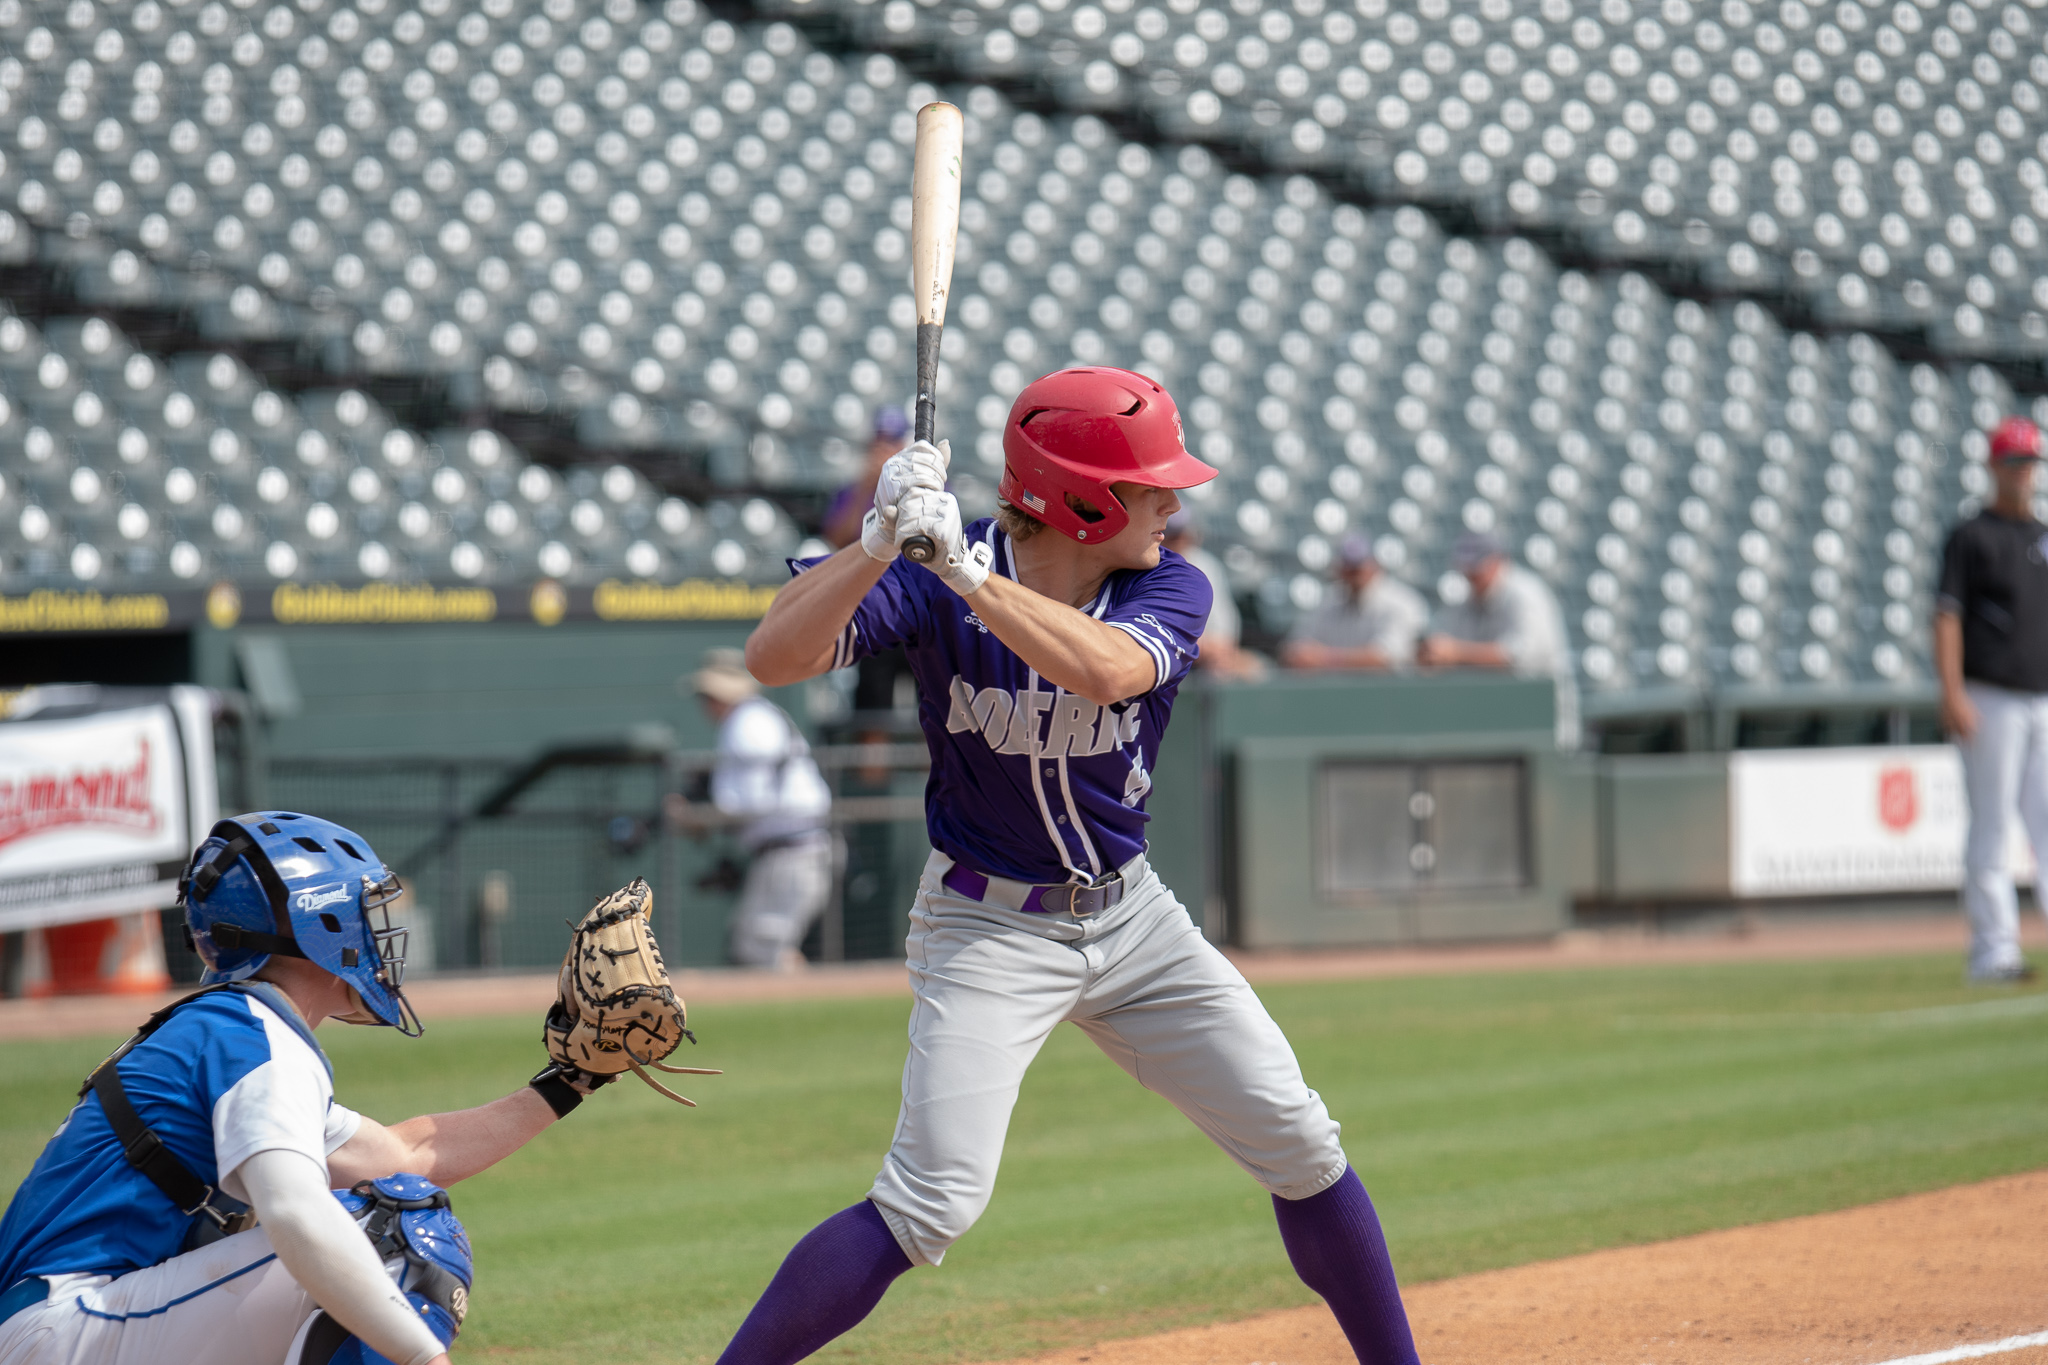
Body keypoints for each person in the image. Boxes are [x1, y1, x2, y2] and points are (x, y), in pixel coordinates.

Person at [722, 366, 1420, 1365]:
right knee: (928, 1205)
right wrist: (873, 544)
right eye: (1151, 487)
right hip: (987, 928)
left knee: (1302, 1145)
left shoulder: (1168, 583)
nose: (1173, 505)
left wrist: (964, 576)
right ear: (1083, 499)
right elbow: (772, 659)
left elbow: (1106, 669)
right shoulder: (929, 566)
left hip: (1135, 921)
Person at [0, 813, 610, 1365]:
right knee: (396, 1233)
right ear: (319, 922)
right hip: (64, 1328)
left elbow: (407, 1155)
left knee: (379, 1214)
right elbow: (297, 1213)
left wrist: (575, 1080)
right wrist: (422, 1357)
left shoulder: (228, 1029)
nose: (375, 932)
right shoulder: (253, 1039)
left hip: (66, 1325)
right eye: (363, 911)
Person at [1937, 415, 2048, 984]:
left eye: (2029, 462)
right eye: (2014, 462)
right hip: (1991, 696)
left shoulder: (2041, 538)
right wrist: (1953, 691)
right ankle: (1993, 951)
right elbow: (1946, 615)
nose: (2022, 472)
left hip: (2041, 696)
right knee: (1993, 825)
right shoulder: (1971, 536)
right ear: (1993, 466)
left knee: (2046, 821)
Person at [691, 648, 835, 971]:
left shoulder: (748, 721)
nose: (705, 703)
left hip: (792, 852)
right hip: (792, 852)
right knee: (760, 948)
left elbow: (747, 803)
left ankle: (807, 1000)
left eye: (709, 694)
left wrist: (698, 818)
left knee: (761, 951)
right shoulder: (755, 716)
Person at [1419, 530, 1578, 747]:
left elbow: (1516, 656)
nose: (1471, 574)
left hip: (1540, 720)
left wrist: (1456, 652)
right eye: (1467, 568)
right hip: (1496, 719)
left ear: (1498, 561)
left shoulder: (1525, 594)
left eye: (1477, 566)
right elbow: (1443, 642)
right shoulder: (1468, 599)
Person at [1282, 534, 1429, 671]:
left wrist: (1325, 658)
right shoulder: (1329, 600)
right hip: (1336, 688)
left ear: (1375, 564)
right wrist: (1300, 654)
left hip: (1390, 689)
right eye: (1348, 565)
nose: (1353, 572)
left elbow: (1385, 657)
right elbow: (1295, 646)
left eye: (1358, 565)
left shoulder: (1400, 602)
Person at [1163, 510, 1266, 679]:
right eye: (1174, 535)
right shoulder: (1148, 565)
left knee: (1256, 668)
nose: (1181, 539)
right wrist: (1198, 647)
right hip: (1169, 657)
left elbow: (1225, 627)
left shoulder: (1205, 564)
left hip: (1208, 657)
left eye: (1183, 533)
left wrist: (1218, 648)